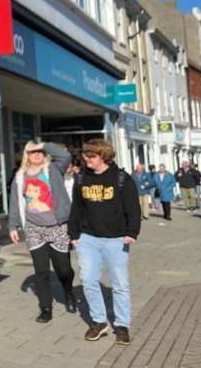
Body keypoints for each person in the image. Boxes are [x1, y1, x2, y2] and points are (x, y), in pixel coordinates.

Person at [69, 138, 140, 346]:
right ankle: (100, 322)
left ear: (104, 157)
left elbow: (133, 208)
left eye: (91, 156)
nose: (86, 159)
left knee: (120, 284)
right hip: (88, 238)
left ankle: (122, 325)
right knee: (88, 280)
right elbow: (77, 208)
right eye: (85, 155)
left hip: (116, 238)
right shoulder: (81, 178)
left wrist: (132, 232)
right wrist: (74, 235)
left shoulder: (121, 178)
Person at [8, 141, 75, 324]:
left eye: (40, 152)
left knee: (63, 268)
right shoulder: (20, 176)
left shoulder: (53, 169)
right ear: (26, 155)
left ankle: (68, 292)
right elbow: (15, 202)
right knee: (41, 271)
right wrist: (13, 226)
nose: (36, 155)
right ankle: (46, 308)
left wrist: (43, 144)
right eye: (32, 152)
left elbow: (66, 156)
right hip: (34, 228)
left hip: (58, 226)